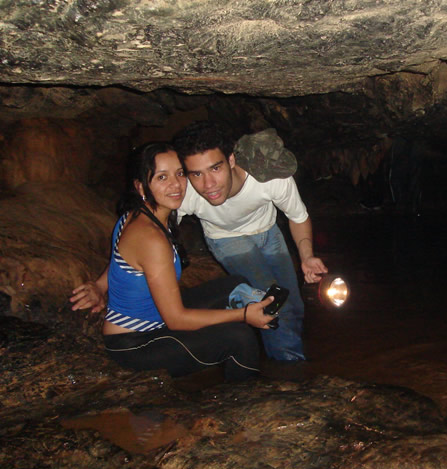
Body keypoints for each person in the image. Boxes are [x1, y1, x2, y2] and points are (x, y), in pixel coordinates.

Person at [70, 142, 276, 381]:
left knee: (234, 285)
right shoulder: (151, 239)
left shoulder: (136, 214)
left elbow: (120, 260)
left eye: (179, 173)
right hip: (137, 344)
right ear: (141, 187)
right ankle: (242, 406)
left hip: (156, 319)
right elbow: (176, 319)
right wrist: (243, 315)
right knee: (239, 337)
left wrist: (99, 286)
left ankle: (229, 345)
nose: (176, 185)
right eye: (162, 177)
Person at [172, 123, 328, 362]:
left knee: (294, 304)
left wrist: (306, 256)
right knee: (274, 305)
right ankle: (289, 372)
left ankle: (286, 357)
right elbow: (148, 234)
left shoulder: (269, 177)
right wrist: (102, 285)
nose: (208, 184)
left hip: (269, 232)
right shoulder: (186, 194)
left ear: (231, 160)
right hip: (226, 239)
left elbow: (298, 217)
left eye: (215, 168)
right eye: (196, 173)